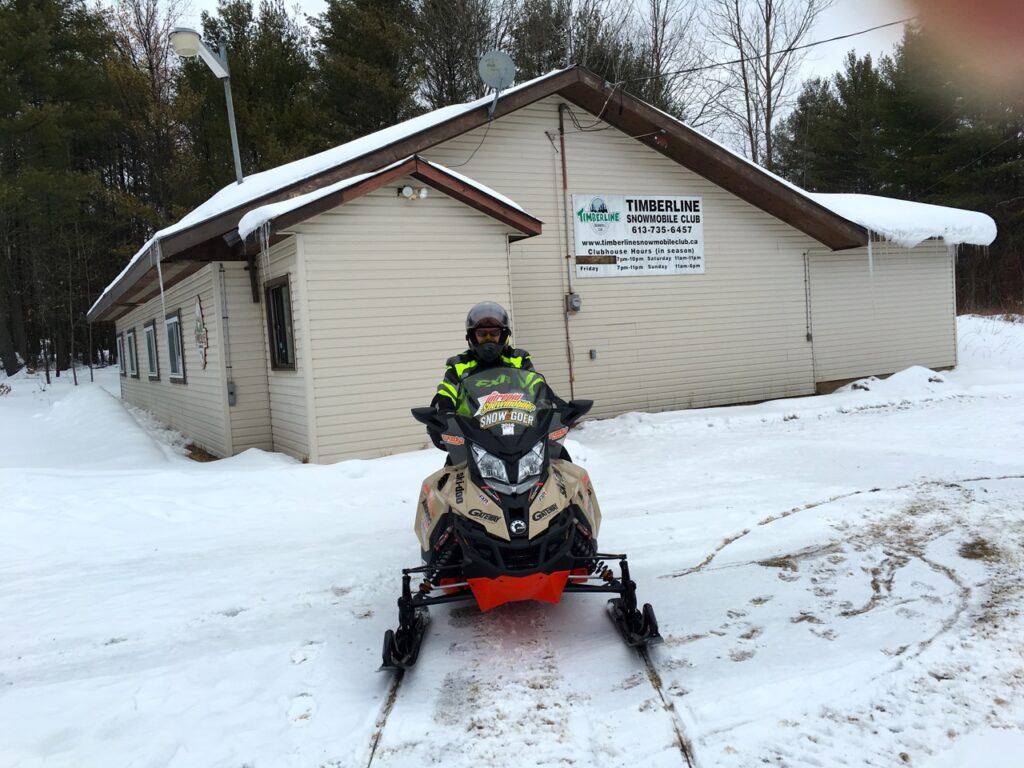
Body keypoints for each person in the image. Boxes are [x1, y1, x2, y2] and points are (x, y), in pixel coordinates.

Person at [427, 301, 533, 448]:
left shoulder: (518, 360)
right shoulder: (459, 365)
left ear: (503, 335)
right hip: (473, 438)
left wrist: (556, 406)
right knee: (452, 469)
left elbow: (537, 386)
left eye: (494, 333)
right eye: (482, 334)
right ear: (472, 336)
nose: (488, 339)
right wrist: (443, 414)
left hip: (521, 433)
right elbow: (446, 393)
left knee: (560, 461)